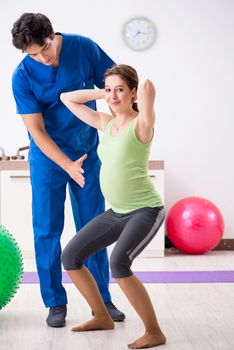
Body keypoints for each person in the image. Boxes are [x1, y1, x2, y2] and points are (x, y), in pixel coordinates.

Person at [11, 12, 125, 327]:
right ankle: (55, 303)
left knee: (94, 228)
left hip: (87, 152)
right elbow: (37, 131)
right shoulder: (22, 76)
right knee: (47, 230)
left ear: (52, 35)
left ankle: (102, 299)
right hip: (48, 159)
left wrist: (125, 126)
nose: (42, 58)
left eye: (45, 49)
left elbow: (115, 86)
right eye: (33, 54)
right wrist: (65, 165)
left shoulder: (84, 48)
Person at [61, 64, 167, 349]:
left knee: (118, 264)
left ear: (132, 93)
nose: (112, 96)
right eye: (109, 91)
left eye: (120, 90)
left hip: (145, 209)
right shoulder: (105, 123)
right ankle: (102, 316)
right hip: (117, 211)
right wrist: (104, 90)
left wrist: (132, 85)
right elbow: (66, 99)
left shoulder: (142, 125)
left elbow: (147, 87)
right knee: (70, 256)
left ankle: (154, 331)